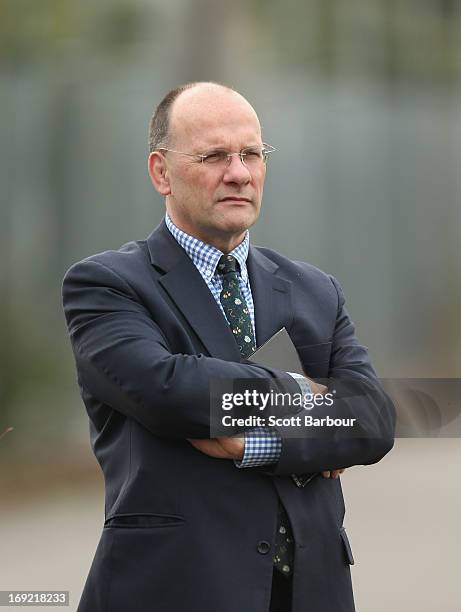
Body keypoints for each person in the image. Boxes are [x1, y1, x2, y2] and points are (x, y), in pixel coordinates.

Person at [62, 82, 395, 612]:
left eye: (251, 154)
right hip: (174, 588)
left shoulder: (314, 290)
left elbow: (373, 419)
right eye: (214, 155)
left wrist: (262, 444)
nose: (239, 172)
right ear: (160, 172)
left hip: (311, 592)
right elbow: (169, 391)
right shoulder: (107, 285)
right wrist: (310, 396)